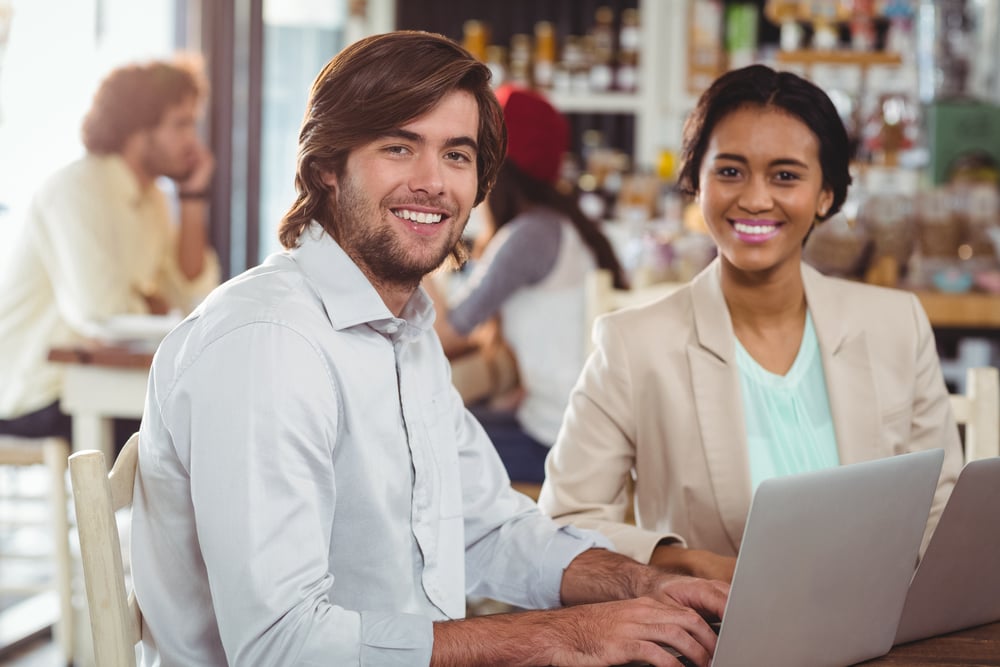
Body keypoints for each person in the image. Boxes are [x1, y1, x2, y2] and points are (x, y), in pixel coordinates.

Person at [130, 31, 727, 667]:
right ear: (327, 167)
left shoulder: (403, 329)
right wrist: (565, 635)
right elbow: (284, 646)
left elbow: (488, 530)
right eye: (399, 147)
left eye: (457, 155)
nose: (432, 182)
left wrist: (647, 584)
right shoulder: (267, 347)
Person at [538, 64, 963, 583]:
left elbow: (943, 507)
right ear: (696, 183)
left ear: (825, 193)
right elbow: (564, 522)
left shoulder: (896, 325)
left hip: (885, 631)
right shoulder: (633, 345)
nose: (756, 199)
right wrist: (684, 563)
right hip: (715, 638)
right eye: (730, 171)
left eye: (785, 175)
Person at [0, 56, 219, 441]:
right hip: (32, 389)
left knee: (199, 417)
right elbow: (100, 310)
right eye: (181, 124)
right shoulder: (76, 189)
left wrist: (193, 196)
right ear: (138, 129)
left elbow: (188, 292)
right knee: (179, 430)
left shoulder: (152, 199)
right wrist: (149, 302)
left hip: (91, 380)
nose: (193, 141)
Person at [425, 83, 627, 484]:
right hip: (572, 435)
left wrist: (421, 251)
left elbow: (443, 336)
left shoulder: (529, 236)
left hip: (557, 447)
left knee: (417, 444)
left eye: (464, 156)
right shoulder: (560, 226)